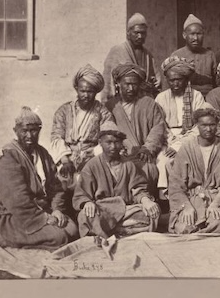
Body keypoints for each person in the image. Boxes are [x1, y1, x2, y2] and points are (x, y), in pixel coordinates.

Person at [0, 107, 78, 248]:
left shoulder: (42, 153)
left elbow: (56, 187)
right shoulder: (8, 156)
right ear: (16, 131)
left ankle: (29, 237)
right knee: (59, 237)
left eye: (34, 130)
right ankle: (7, 238)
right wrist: (45, 218)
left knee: (73, 230)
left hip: (43, 211)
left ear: (39, 130)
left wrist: (57, 210)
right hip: (19, 217)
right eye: (24, 131)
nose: (29, 136)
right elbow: (17, 200)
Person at [73, 121, 161, 238]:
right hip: (103, 210)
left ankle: (113, 229)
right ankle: (123, 229)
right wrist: (87, 202)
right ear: (100, 143)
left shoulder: (128, 165)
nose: (113, 147)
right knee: (85, 216)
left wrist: (146, 200)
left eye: (117, 142)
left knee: (153, 211)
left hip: (126, 209)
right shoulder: (92, 166)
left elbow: (138, 189)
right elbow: (81, 195)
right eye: (108, 142)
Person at [167, 107, 220, 234]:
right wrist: (186, 206)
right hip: (192, 198)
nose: (208, 129)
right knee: (182, 226)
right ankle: (198, 230)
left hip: (215, 198)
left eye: (212, 125)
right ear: (196, 126)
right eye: (204, 125)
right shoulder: (187, 147)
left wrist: (217, 203)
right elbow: (175, 183)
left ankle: (201, 231)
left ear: (217, 125)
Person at [50, 64, 114, 193]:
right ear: (77, 90)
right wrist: (65, 159)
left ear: (96, 92)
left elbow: (109, 137)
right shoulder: (64, 111)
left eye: (90, 92)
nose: (86, 95)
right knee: (59, 179)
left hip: (93, 155)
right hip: (67, 155)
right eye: (82, 91)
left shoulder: (103, 112)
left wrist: (92, 155)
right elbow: (56, 136)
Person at [106, 63, 166, 198]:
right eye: (126, 84)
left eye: (134, 84)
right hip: (120, 154)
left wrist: (148, 148)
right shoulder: (111, 106)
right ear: (118, 84)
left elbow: (158, 127)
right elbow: (108, 130)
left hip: (144, 153)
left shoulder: (149, 103)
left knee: (149, 169)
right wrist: (118, 149)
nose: (131, 88)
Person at [154, 56, 206, 190]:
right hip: (166, 140)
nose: (175, 84)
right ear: (167, 80)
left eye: (179, 80)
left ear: (186, 80)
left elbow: (199, 125)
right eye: (172, 81)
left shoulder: (197, 96)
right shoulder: (161, 97)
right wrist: (172, 142)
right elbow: (160, 125)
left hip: (191, 139)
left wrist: (179, 144)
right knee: (163, 161)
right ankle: (166, 197)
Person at [102, 13, 160, 102]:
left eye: (143, 33)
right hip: (122, 102)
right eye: (136, 33)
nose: (140, 36)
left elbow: (156, 81)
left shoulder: (149, 56)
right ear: (128, 33)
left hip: (143, 103)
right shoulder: (117, 51)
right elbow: (108, 82)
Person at [171, 14, 218, 96]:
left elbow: (216, 81)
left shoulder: (210, 55)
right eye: (192, 34)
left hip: (208, 97)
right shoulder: (177, 55)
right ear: (184, 35)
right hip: (185, 98)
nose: (196, 38)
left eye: (199, 34)